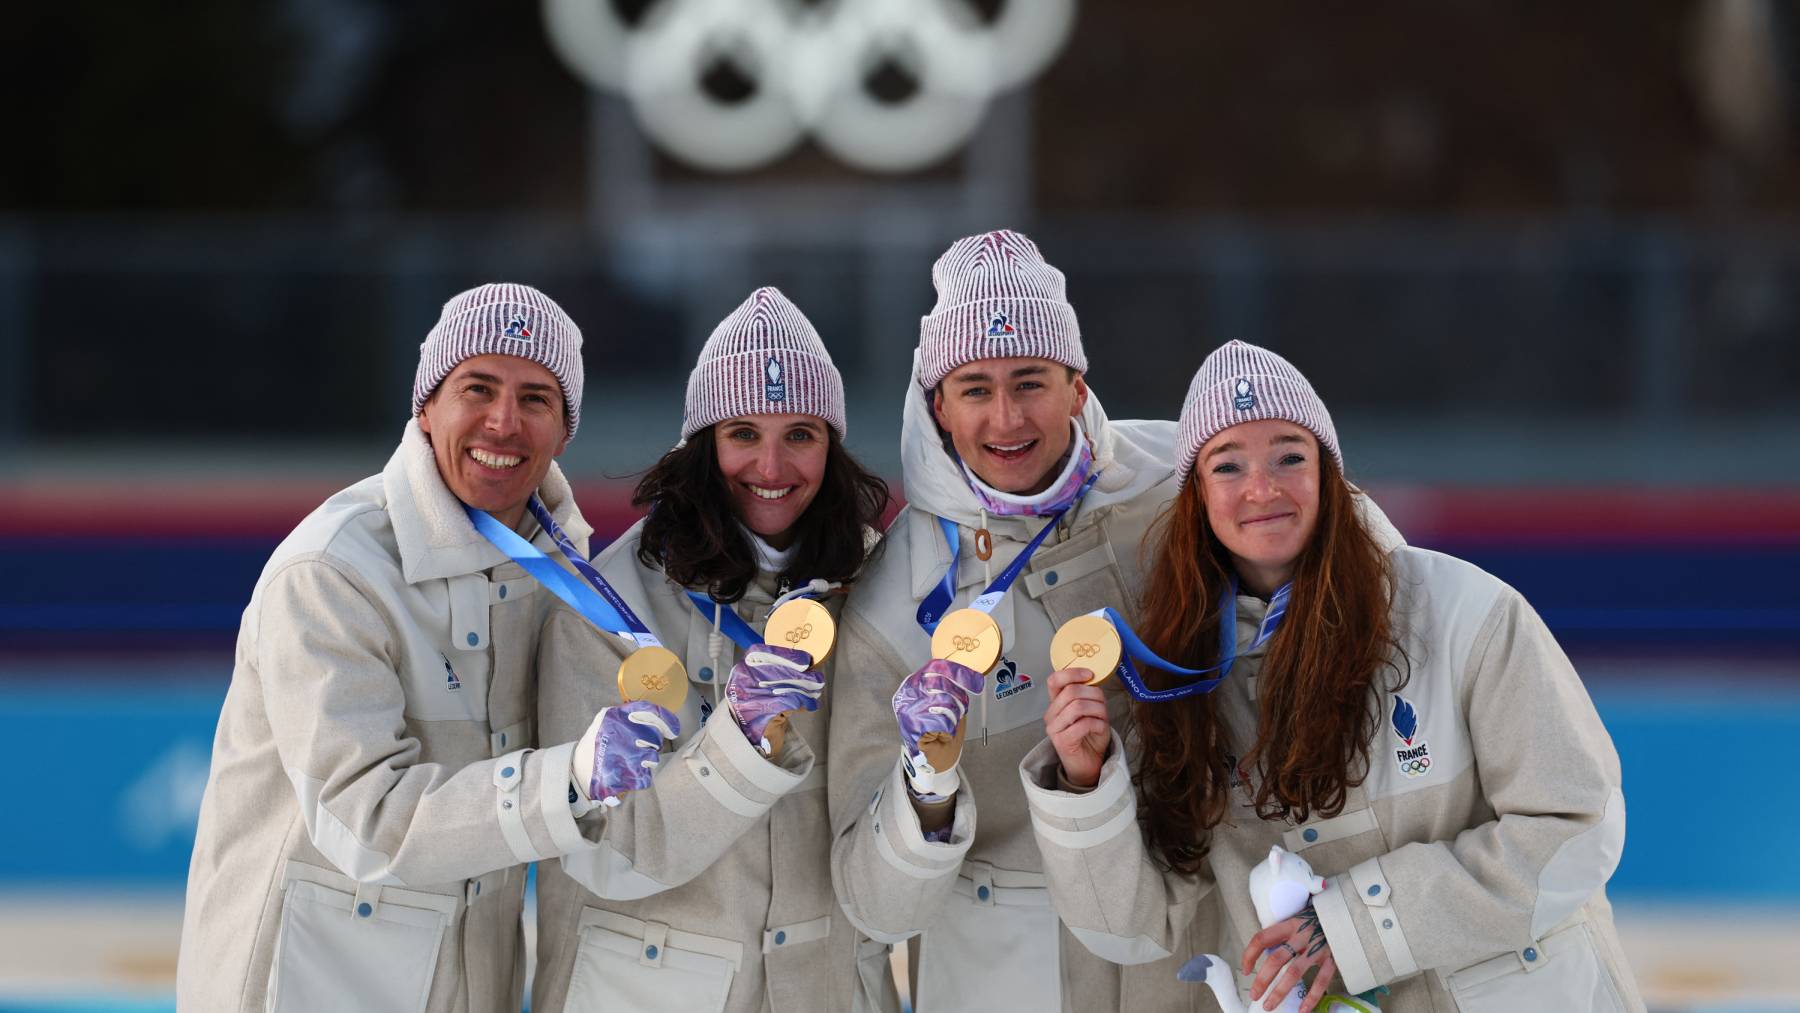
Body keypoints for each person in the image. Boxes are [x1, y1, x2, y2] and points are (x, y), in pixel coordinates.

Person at [1025, 340, 1644, 1012]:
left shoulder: (1466, 611)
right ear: (1196, 496)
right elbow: (1131, 929)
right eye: (1228, 465)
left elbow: (1579, 825)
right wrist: (1085, 785)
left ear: (1328, 472)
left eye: (1289, 455)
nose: (1262, 487)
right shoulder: (1171, 677)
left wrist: (1355, 926)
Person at [178, 283, 682, 1011]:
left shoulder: (569, 580)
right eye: (477, 387)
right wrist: (568, 777)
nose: (503, 421)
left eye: (536, 397)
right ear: (426, 405)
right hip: (301, 986)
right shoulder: (331, 570)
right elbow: (367, 819)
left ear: (565, 430)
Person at [827, 230, 1193, 1011]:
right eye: (974, 387)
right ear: (939, 405)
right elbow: (872, 903)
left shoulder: (1189, 485)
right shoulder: (895, 593)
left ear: (1078, 387)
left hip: (1191, 955)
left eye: (1030, 381)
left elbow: (1353, 563)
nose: (1005, 417)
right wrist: (923, 785)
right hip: (998, 976)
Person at [531, 287, 900, 1012]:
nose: (771, 463)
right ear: (703, 441)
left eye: (800, 432)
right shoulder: (606, 604)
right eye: (742, 433)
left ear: (832, 444)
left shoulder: (878, 582)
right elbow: (603, 849)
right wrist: (738, 740)